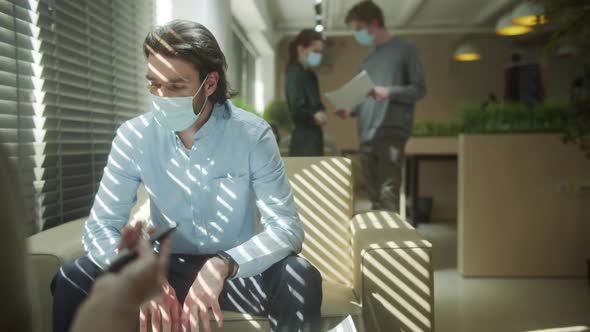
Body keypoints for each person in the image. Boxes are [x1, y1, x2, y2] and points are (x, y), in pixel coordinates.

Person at [51, 20, 322, 332]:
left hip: (234, 271)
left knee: (299, 275)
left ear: (209, 83)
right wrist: (142, 273)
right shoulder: (133, 136)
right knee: (72, 276)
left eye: (176, 86)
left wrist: (224, 264)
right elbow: (100, 227)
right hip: (162, 270)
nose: (162, 96)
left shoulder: (252, 135)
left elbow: (286, 228)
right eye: (153, 84)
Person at [0, 145, 170, 332]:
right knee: (71, 276)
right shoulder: (139, 140)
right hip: (149, 249)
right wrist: (120, 261)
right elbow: (102, 222)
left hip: (198, 257)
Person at [336, 1, 426, 212]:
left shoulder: (406, 50)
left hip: (391, 131)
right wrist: (350, 109)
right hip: (366, 135)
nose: (357, 35)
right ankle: (378, 241)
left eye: (359, 29)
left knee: (389, 192)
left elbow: (419, 89)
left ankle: (391, 242)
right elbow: (364, 96)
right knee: (374, 196)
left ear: (374, 23)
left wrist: (388, 92)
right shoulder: (366, 60)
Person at [285, 29, 328, 156]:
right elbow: (295, 109)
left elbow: (316, 104)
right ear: (301, 49)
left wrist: (320, 112)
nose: (318, 56)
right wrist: (314, 117)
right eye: (315, 51)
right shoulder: (294, 72)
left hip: (314, 136)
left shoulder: (310, 75)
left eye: (320, 52)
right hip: (303, 139)